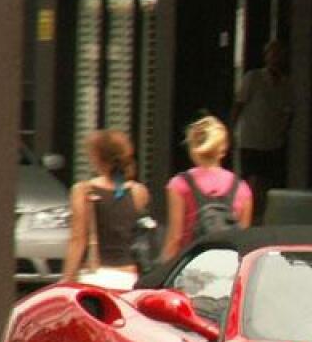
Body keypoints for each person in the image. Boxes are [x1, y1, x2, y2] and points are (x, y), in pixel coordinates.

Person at [62, 129, 151, 289]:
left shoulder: (83, 190)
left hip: (95, 276)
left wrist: (66, 279)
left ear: (97, 158)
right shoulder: (138, 192)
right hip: (129, 276)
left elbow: (78, 239)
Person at [162, 113, 252, 261]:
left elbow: (175, 238)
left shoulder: (179, 184)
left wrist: (162, 269)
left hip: (191, 265)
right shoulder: (242, 188)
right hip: (226, 268)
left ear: (192, 147)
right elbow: (244, 239)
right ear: (223, 149)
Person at [231, 39, 292, 221]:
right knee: (251, 179)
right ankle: (246, 214)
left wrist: (283, 132)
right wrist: (232, 130)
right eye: (271, 54)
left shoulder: (286, 84)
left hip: (272, 141)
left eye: (278, 54)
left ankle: (262, 215)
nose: (275, 58)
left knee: (267, 181)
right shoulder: (253, 78)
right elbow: (238, 105)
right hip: (251, 138)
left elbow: (289, 111)